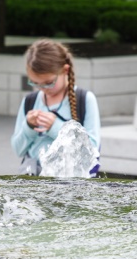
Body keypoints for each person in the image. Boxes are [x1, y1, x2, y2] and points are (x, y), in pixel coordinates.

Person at [11, 39, 101, 175]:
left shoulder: (84, 99)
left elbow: (91, 150)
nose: (43, 88)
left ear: (65, 70)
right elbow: (18, 150)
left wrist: (56, 128)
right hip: (34, 181)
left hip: (71, 183)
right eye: (35, 83)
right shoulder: (30, 101)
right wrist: (28, 127)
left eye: (48, 82)